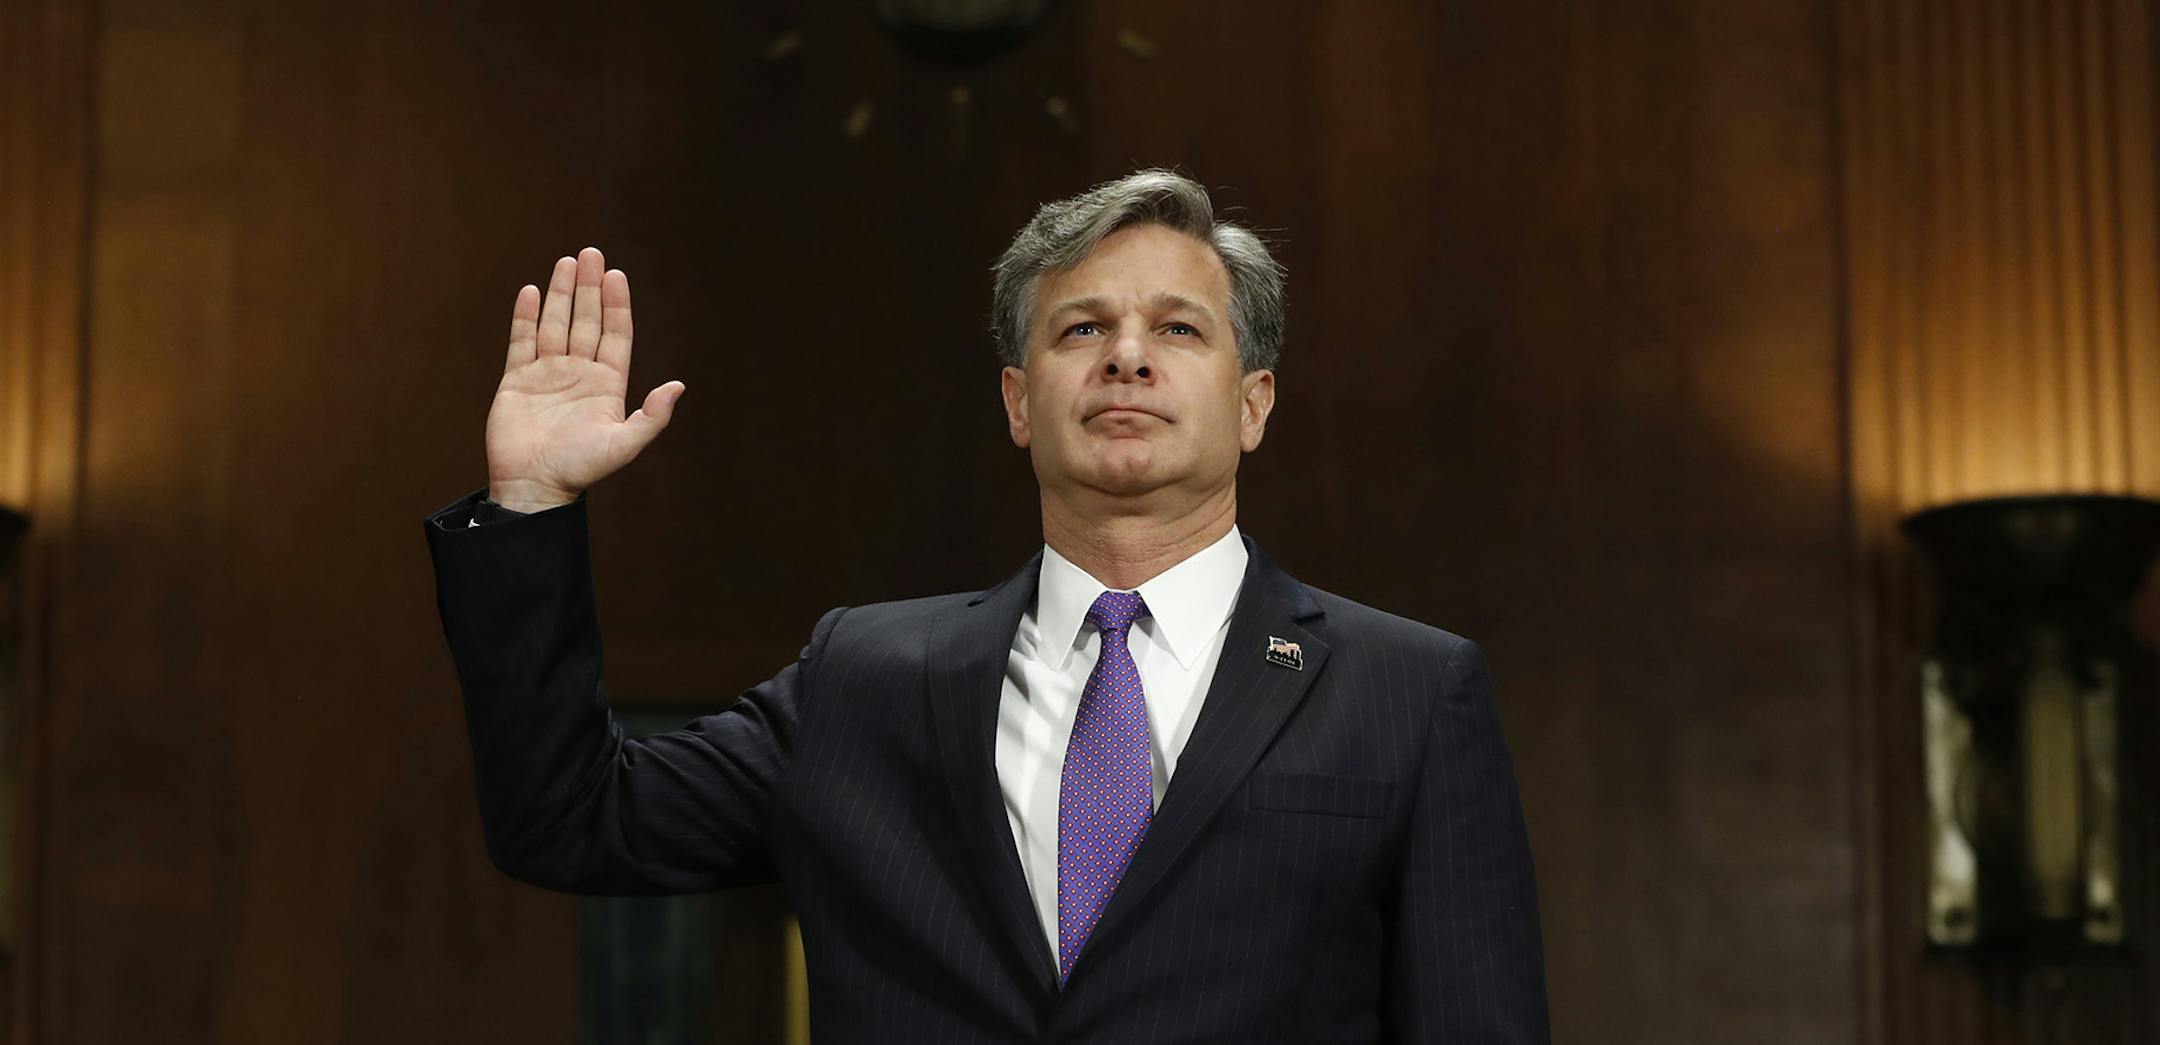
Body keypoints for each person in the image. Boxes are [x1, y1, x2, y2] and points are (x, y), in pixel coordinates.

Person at [424, 169, 1549, 1042]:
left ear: (1253, 403)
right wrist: (529, 506)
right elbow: (569, 818)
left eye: (1179, 328)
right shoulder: (864, 676)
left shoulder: (1409, 689)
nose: (1126, 358)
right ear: (1019, 402)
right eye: (1080, 328)